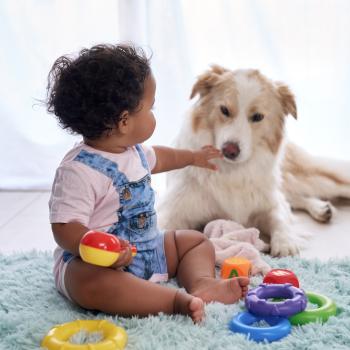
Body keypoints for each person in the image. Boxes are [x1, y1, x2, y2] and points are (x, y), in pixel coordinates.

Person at [47, 44, 249, 323]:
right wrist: (98, 246)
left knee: (194, 241)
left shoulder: (134, 152)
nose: (154, 113)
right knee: (91, 283)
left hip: (147, 249)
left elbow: (163, 158)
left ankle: (202, 282)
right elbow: (64, 228)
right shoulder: (79, 171)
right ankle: (172, 301)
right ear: (125, 122)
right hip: (98, 264)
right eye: (150, 107)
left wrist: (193, 156)